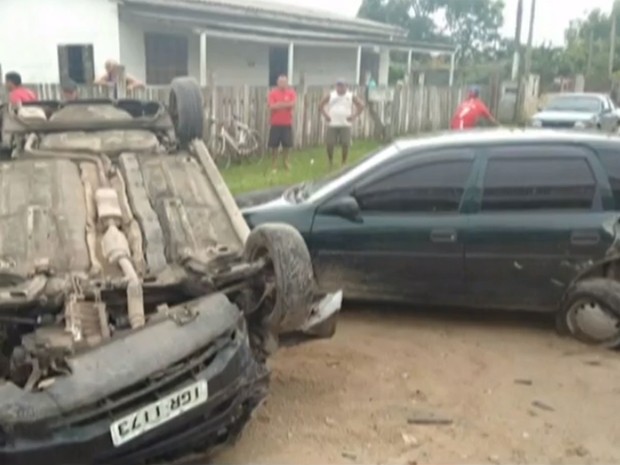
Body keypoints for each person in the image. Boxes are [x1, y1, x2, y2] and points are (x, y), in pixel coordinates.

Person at [319, 79, 365, 168]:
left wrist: (354, 115)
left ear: (346, 87)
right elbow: (320, 105)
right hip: (333, 123)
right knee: (330, 143)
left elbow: (361, 105)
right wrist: (326, 116)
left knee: (345, 143)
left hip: (345, 123)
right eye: (338, 86)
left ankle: (344, 162)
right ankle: (330, 161)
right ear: (336, 87)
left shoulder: (350, 95)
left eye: (342, 86)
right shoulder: (331, 95)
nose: (340, 88)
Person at [267, 74, 296, 171]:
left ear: (287, 83)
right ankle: (274, 164)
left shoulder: (291, 93)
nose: (282, 84)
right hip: (275, 123)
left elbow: (292, 104)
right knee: (274, 145)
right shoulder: (273, 93)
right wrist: (284, 105)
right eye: (281, 82)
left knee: (287, 145)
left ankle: (286, 162)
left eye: (284, 82)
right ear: (277, 83)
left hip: (287, 123)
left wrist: (279, 104)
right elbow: (271, 106)